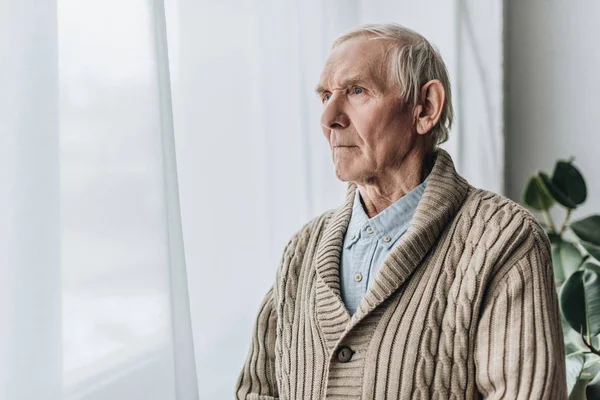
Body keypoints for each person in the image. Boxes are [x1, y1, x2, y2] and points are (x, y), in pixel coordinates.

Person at [235, 23, 567, 399]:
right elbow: (257, 390)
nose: (328, 118)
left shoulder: (503, 240)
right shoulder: (302, 251)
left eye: (356, 91)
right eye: (325, 96)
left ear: (425, 108)